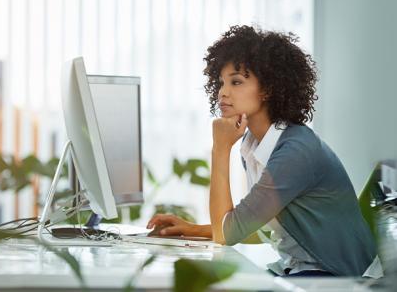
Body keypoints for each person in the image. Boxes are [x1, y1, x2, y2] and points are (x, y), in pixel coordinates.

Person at [147, 25, 380, 277]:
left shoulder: (296, 152)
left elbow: (227, 235)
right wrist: (192, 229)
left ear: (268, 88)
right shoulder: (254, 145)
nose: (222, 92)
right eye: (221, 82)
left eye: (236, 81)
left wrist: (220, 149)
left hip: (339, 277)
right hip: (298, 270)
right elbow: (259, 226)